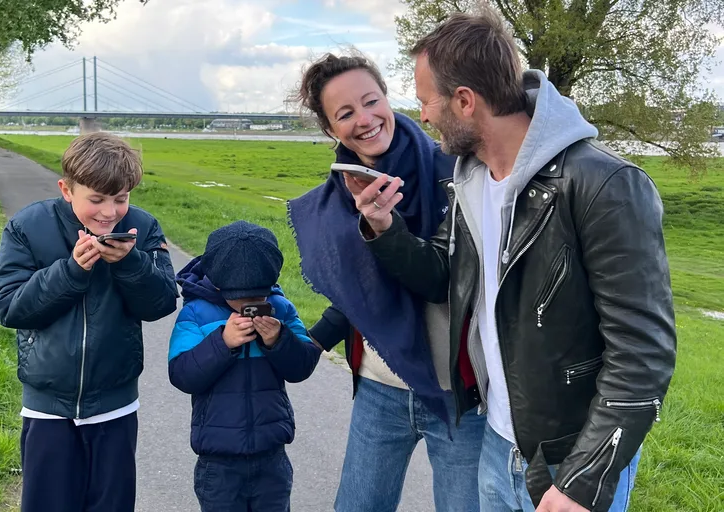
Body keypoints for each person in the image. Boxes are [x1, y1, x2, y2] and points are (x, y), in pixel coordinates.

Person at [348, 9, 676, 512]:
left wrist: (584, 480)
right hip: (495, 442)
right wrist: (384, 229)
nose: (423, 116)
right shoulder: (469, 180)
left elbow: (643, 353)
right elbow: (443, 276)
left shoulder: (605, 185)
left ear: (464, 101)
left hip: (567, 460)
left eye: (425, 101)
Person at [287, 52, 485, 512]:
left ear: (388, 98)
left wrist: (384, 228)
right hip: (379, 388)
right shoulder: (341, 194)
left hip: (459, 395)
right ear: (330, 129)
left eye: (371, 101)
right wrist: (312, 341)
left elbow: (442, 282)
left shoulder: (454, 173)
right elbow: (361, 290)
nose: (365, 119)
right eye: (345, 114)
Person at [0, 132, 180, 511]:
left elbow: (160, 303)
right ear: (66, 189)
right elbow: (8, 307)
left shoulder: (142, 228)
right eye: (96, 199)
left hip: (115, 404)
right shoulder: (28, 226)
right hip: (47, 407)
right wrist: (72, 270)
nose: (109, 213)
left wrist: (130, 262)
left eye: (121, 199)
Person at [168, 220, 322, 511]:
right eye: (243, 299)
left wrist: (279, 340)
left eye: (260, 296)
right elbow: (182, 374)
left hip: (271, 455)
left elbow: (302, 366)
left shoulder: (282, 309)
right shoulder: (196, 313)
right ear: (217, 282)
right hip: (218, 461)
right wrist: (222, 342)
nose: (253, 304)